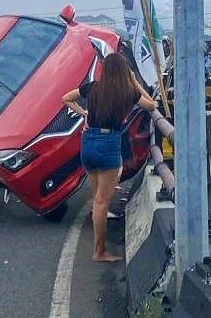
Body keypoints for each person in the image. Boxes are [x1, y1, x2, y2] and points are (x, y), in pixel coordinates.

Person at [62, 53, 157, 262]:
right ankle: (99, 251)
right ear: (124, 71)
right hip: (108, 144)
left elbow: (66, 98)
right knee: (102, 201)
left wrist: (83, 113)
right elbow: (151, 106)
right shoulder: (128, 92)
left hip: (88, 141)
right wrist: (135, 82)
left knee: (97, 197)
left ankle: (99, 242)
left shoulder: (92, 87)